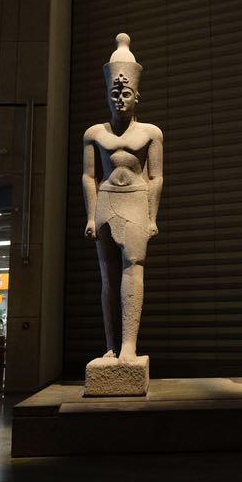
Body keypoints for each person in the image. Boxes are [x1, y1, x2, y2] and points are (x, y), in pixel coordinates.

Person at [82, 34, 163, 362]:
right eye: (114, 93)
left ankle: (129, 345)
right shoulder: (94, 134)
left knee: (133, 269)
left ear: (137, 96)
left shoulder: (151, 133)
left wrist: (152, 217)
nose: (119, 99)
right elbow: (89, 177)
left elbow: (156, 178)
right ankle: (111, 345)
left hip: (136, 201)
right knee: (108, 276)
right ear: (107, 95)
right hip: (106, 200)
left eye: (126, 93)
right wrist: (90, 216)